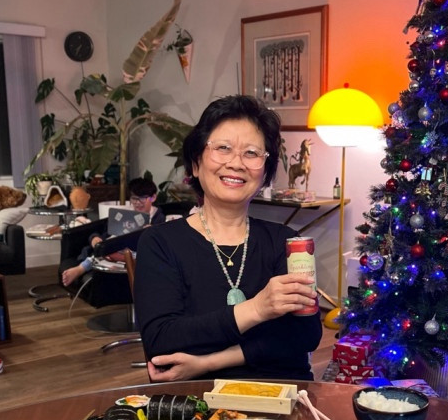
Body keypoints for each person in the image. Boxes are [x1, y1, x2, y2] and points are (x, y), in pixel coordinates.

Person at [134, 95, 322, 382]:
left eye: (251, 153)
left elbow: (304, 336)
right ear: (195, 164)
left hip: (282, 394)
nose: (236, 163)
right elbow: (162, 342)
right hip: (196, 399)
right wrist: (257, 309)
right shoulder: (160, 242)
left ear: (265, 174)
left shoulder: (286, 242)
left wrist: (207, 362)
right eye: (223, 148)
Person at [61, 177, 164, 287]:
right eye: (134, 198)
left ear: (153, 198)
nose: (137, 203)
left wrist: (151, 232)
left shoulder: (159, 218)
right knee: (106, 248)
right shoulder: (126, 214)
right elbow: (106, 234)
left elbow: (160, 244)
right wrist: (95, 238)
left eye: (142, 198)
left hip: (136, 254)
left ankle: (86, 266)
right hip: (119, 248)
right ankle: (83, 267)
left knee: (117, 252)